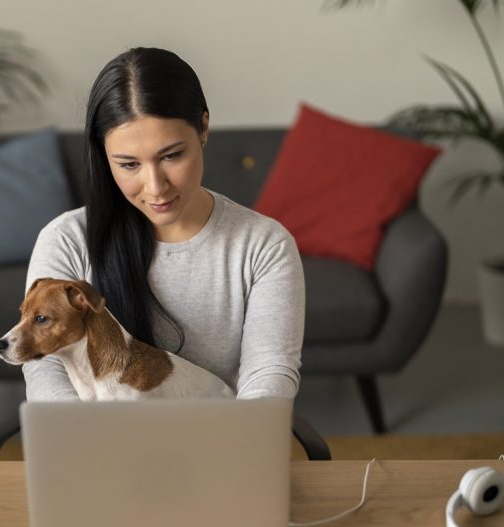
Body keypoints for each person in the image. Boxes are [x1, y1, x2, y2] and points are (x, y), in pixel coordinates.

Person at [24, 47, 304, 401]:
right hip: (98, 446)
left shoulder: (263, 245)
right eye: (128, 165)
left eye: (171, 156)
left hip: (216, 439)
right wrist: (83, 440)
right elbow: (43, 366)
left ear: (203, 127)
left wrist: (243, 438)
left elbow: (269, 374)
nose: (155, 187)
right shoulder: (67, 240)